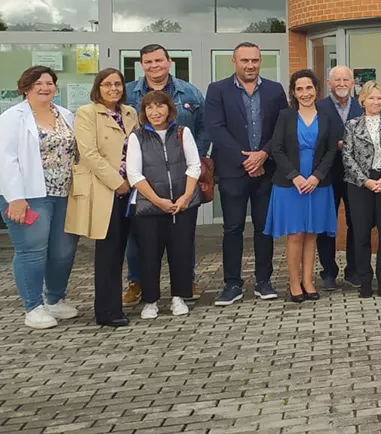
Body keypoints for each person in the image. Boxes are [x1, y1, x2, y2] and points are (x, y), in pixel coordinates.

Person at [122, 44, 207, 306]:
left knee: (183, 237)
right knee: (140, 239)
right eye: (148, 61)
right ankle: (137, 282)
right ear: (142, 65)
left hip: (182, 179)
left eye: (159, 60)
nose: (154, 65)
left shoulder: (189, 91)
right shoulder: (127, 93)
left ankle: (186, 280)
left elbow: (203, 127)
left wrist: (192, 158)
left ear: (169, 62)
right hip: (143, 180)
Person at [205, 42, 288, 306]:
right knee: (233, 228)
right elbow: (215, 129)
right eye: (245, 61)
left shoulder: (274, 90)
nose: (250, 65)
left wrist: (263, 154)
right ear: (234, 61)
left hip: (266, 170)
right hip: (233, 170)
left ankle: (264, 281)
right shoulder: (217, 90)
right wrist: (246, 160)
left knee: (264, 228)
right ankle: (232, 284)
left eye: (255, 60)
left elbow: (282, 126)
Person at [0, 66, 80, 330]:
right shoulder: (13, 117)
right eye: (38, 83)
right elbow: (5, 159)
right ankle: (33, 306)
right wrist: (14, 197)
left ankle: (55, 299)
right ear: (26, 87)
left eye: (49, 83)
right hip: (29, 196)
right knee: (32, 251)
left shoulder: (66, 115)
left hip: (63, 194)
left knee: (63, 251)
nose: (45, 87)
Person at [65, 68, 138, 327]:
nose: (113, 89)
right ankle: (107, 312)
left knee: (122, 250)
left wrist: (133, 181)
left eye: (117, 84)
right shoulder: (86, 113)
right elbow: (89, 153)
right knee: (108, 252)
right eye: (107, 84)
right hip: (106, 190)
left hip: (130, 190)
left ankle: (123, 302)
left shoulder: (130, 113)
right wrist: (117, 183)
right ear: (98, 88)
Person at [265, 69, 339, 303]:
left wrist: (316, 176)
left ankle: (309, 281)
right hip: (290, 184)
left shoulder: (326, 116)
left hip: (318, 183)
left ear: (316, 89)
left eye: (309, 88)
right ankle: (294, 282)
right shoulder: (285, 116)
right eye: (300, 89)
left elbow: (330, 150)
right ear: (293, 93)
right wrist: (295, 176)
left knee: (312, 234)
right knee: (296, 234)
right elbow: (276, 149)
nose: (305, 93)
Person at [126, 90, 201, 319]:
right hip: (150, 206)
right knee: (149, 253)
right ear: (144, 112)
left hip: (182, 204)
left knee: (181, 251)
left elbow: (194, 166)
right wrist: (157, 201)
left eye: (160, 106)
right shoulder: (137, 137)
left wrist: (186, 196)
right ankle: (150, 301)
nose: (155, 112)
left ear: (169, 109)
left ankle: (179, 297)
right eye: (149, 108)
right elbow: (134, 173)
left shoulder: (181, 132)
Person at [342, 81, 381, 298]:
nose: (376, 102)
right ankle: (365, 281)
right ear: (363, 100)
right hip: (360, 185)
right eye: (371, 98)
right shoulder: (352, 125)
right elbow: (347, 157)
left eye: (379, 98)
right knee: (361, 235)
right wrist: (366, 181)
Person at [315, 65, 362, 290]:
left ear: (353, 83)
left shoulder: (362, 106)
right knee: (326, 223)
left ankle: (353, 270)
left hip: (355, 175)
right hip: (326, 173)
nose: (342, 84)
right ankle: (328, 272)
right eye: (337, 80)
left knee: (356, 222)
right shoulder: (318, 107)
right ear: (329, 83)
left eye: (346, 80)